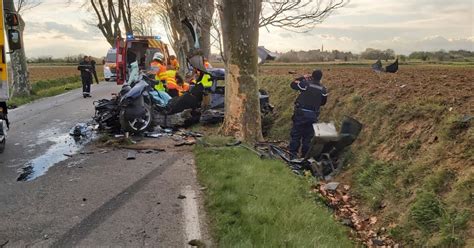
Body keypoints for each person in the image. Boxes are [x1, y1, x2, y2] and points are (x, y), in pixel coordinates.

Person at [288, 69, 328, 159]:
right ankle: (304, 158)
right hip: (313, 116)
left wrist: (303, 78)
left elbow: (293, 84)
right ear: (321, 78)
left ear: (312, 76)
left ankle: (292, 157)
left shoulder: (305, 84)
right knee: (308, 138)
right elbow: (323, 102)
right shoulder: (323, 89)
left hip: (301, 114)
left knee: (296, 135)